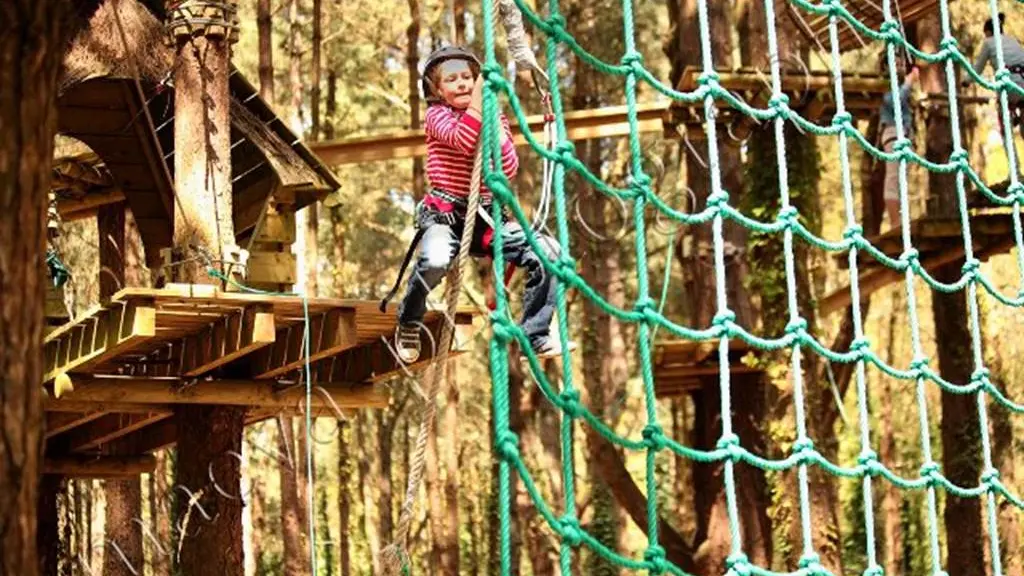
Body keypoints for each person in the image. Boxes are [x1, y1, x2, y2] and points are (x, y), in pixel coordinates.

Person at [393, 46, 567, 363]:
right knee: (433, 261)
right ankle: (409, 319)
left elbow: (508, 167)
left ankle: (535, 334)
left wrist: (493, 125)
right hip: (445, 218)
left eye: (467, 78)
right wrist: (479, 105)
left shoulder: (493, 117)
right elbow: (462, 138)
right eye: (451, 79)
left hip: (486, 218)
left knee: (550, 253)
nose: (462, 84)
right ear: (436, 89)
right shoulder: (436, 117)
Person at [968, 13, 1024, 140]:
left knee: (1004, 120)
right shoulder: (1012, 40)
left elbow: (978, 68)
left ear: (988, 31)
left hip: (1009, 85)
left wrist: (966, 81)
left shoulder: (988, 42)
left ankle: (1007, 137)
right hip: (1023, 82)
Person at [878, 58, 919, 230]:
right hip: (894, 134)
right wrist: (910, 82)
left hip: (904, 135)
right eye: (896, 62)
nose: (900, 66)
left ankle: (900, 220)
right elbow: (894, 101)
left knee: (901, 180)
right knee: (894, 178)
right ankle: (895, 223)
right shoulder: (883, 86)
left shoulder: (898, 85)